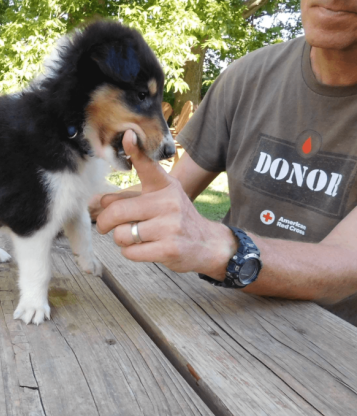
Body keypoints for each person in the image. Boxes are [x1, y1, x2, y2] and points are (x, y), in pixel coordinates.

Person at [95, 0, 357, 324]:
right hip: (226, 318)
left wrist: (221, 249)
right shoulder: (249, 76)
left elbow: (346, 264)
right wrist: (78, 199)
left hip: (334, 351)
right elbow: (170, 193)